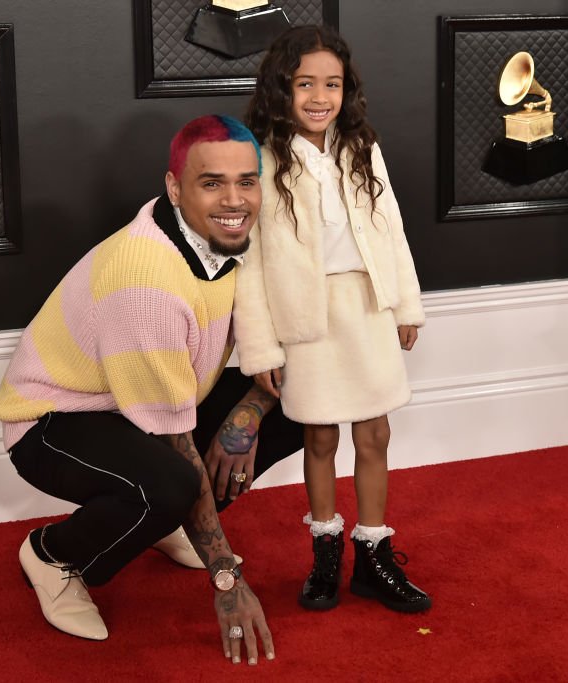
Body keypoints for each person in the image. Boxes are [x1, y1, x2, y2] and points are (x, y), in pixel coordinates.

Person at [0, 115, 303, 664]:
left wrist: (248, 413)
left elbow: (279, 343)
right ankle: (52, 555)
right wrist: (227, 580)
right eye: (211, 183)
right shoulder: (146, 283)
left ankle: (165, 520)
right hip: (55, 419)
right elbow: (171, 441)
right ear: (175, 187)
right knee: (171, 482)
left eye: (246, 181)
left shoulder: (243, 232)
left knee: (302, 406)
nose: (235, 200)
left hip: (155, 405)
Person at [234, 25, 431, 613]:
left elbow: (390, 228)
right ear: (281, 88)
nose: (320, 97)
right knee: (318, 436)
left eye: (333, 84)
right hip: (307, 318)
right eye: (305, 84)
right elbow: (251, 263)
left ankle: (373, 557)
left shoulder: (362, 148)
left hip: (367, 307)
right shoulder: (262, 160)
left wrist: (405, 304)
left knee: (375, 433)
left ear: (348, 91)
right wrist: (261, 349)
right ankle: (325, 554)